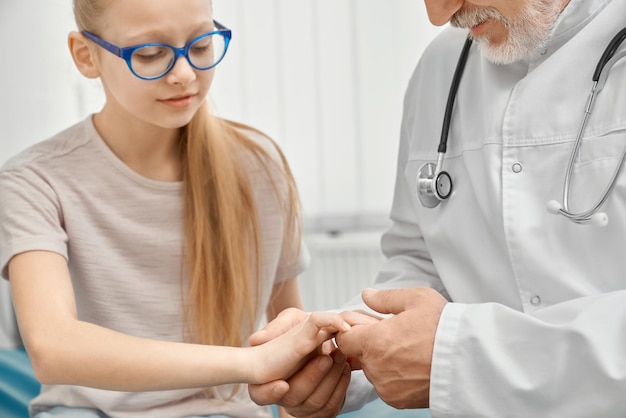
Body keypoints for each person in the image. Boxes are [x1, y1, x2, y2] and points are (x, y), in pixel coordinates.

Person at [248, 0, 626, 417]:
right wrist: (332, 352)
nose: (439, 14)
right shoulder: (444, 66)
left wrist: (461, 355)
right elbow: (424, 265)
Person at [0, 0, 352, 417]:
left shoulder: (260, 168)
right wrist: (250, 363)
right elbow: (52, 346)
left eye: (201, 45)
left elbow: (290, 333)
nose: (184, 74)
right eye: (150, 54)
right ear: (86, 55)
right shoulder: (33, 180)